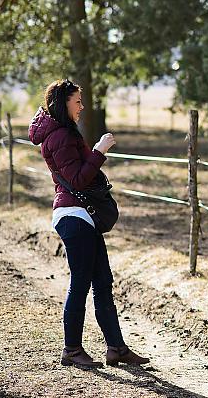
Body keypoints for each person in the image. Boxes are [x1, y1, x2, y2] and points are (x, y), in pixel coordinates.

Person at [28, 79, 149, 369]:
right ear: (63, 102)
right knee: (81, 283)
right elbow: (78, 178)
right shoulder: (59, 137)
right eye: (78, 101)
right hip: (74, 215)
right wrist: (99, 150)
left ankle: (116, 348)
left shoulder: (64, 132)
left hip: (84, 216)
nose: (82, 106)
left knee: (103, 283)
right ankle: (71, 350)